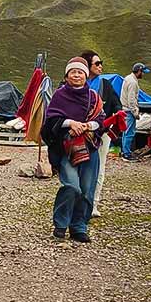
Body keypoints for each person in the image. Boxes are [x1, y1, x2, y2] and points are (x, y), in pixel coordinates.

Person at [42, 57, 106, 243]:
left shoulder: (94, 97)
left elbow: (101, 121)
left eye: (80, 72)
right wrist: (70, 123)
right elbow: (51, 122)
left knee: (87, 189)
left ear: (86, 75)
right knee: (71, 186)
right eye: (73, 72)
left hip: (90, 146)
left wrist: (87, 126)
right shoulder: (59, 96)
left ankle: (79, 226)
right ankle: (60, 224)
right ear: (67, 75)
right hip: (67, 148)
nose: (77, 75)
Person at [81, 51, 120, 217]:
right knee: (80, 167)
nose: (100, 66)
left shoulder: (105, 85)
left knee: (99, 167)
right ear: (87, 65)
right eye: (97, 63)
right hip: (80, 133)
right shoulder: (75, 84)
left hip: (102, 133)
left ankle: (93, 203)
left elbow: (117, 105)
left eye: (101, 63)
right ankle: (79, 202)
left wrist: (112, 120)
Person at [120, 62, 150, 160]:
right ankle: (127, 154)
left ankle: (124, 151)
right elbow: (131, 99)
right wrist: (135, 112)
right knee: (130, 132)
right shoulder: (133, 82)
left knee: (125, 132)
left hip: (124, 109)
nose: (143, 74)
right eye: (143, 72)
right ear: (139, 71)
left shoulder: (128, 78)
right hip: (129, 110)